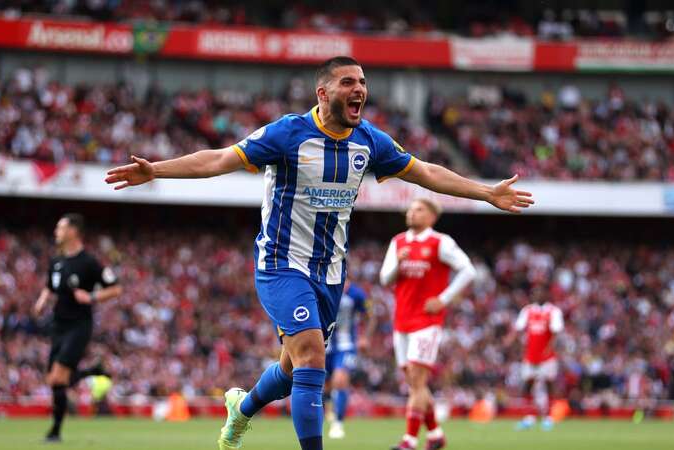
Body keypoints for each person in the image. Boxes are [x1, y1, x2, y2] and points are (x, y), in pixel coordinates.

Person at [105, 56, 533, 450]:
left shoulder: (370, 141)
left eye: (363, 82)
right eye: (348, 81)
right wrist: (156, 170)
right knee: (312, 354)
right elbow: (218, 159)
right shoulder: (288, 134)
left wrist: (485, 191)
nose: (360, 88)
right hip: (280, 263)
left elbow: (425, 172)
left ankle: (243, 408)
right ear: (323, 93)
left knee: (293, 371)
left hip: (330, 271)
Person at [380, 198, 477, 450]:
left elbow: (468, 270)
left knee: (417, 379)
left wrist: (443, 299)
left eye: (419, 209)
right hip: (401, 320)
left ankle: (409, 441)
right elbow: (384, 278)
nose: (413, 213)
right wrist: (398, 264)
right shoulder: (398, 242)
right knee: (414, 383)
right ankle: (435, 435)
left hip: (426, 320)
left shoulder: (440, 242)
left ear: (432, 217)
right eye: (411, 209)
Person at [33, 213, 122, 442]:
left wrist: (92, 296)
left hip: (79, 326)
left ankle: (55, 432)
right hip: (58, 325)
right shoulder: (56, 261)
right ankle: (92, 371)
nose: (56, 232)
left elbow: (115, 289)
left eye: (60, 228)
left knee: (57, 379)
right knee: (55, 380)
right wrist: (42, 301)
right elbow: (49, 286)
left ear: (73, 231)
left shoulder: (89, 262)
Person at [324, 282, 373, 439]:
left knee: (340, 380)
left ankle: (338, 423)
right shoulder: (323, 286)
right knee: (325, 386)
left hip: (346, 346)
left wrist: (365, 337)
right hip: (324, 345)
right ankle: (329, 410)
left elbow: (370, 316)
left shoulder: (356, 293)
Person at [510, 289, 564, 431]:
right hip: (530, 356)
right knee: (527, 384)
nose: (537, 294)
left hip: (547, 357)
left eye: (540, 292)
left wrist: (549, 348)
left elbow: (556, 332)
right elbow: (518, 329)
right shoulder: (527, 311)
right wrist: (511, 341)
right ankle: (529, 417)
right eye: (534, 292)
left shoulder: (553, 311)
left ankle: (549, 417)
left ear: (546, 294)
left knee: (549, 384)